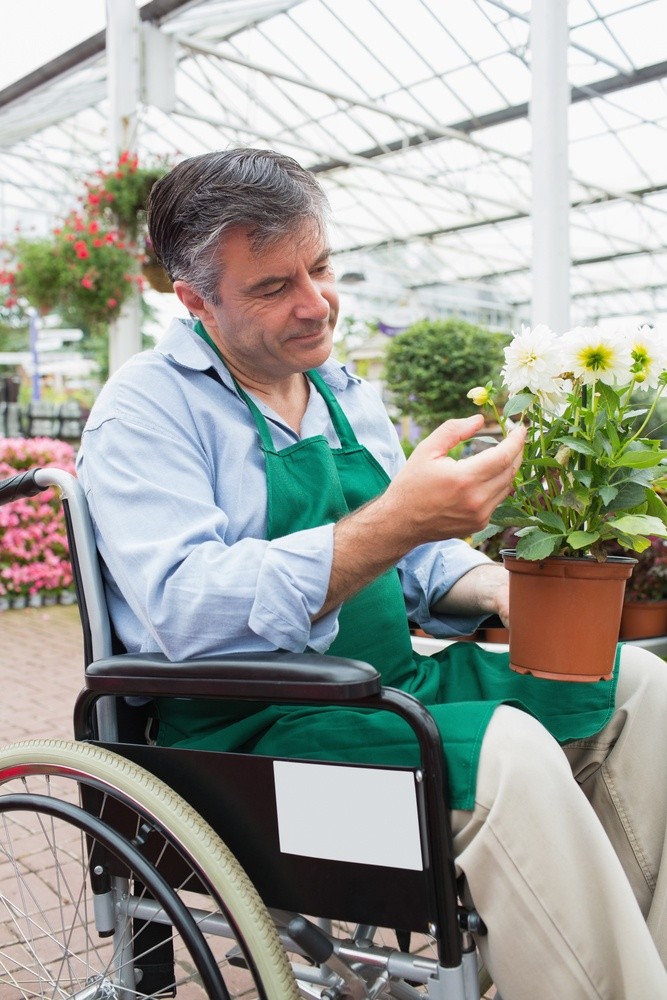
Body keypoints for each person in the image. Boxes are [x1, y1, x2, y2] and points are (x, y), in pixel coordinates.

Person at [76, 148, 667, 998]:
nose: (316, 304)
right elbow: (182, 606)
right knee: (503, 753)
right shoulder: (146, 409)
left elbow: (418, 560)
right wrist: (393, 520)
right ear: (195, 300)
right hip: (250, 752)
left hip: (382, 693)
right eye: (274, 287)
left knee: (638, 687)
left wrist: (503, 587)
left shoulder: (344, 394)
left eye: (319, 266)